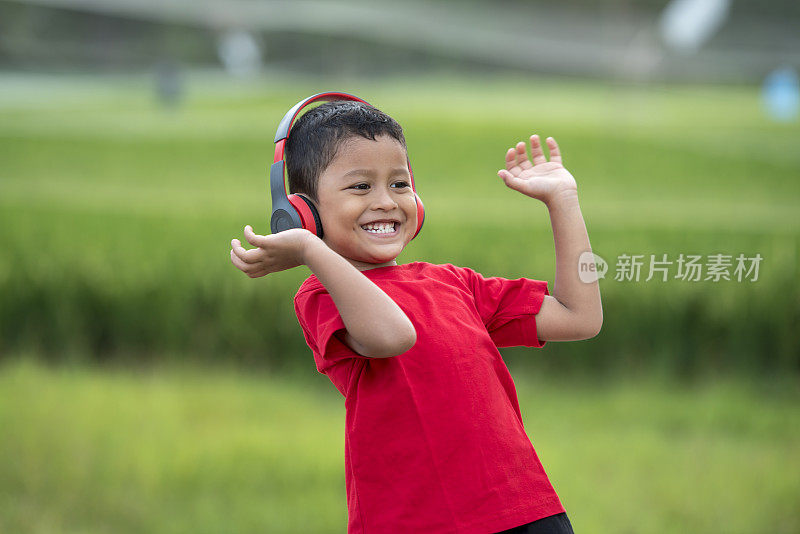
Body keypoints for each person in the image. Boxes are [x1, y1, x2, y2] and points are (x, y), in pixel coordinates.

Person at [229, 100, 602, 534]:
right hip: (416, 522)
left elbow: (580, 316)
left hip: (526, 512)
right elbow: (393, 336)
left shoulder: (454, 283)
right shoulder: (321, 295)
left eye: (400, 183)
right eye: (360, 187)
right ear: (302, 212)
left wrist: (564, 202)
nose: (386, 202)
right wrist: (311, 250)